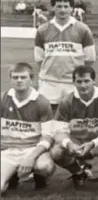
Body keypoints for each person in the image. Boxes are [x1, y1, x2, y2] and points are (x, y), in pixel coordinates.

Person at [49, 65, 98, 190]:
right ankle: (79, 172)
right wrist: (69, 145)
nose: (83, 85)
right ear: (73, 83)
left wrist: (94, 143)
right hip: (77, 143)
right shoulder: (67, 102)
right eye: (79, 81)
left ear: (94, 81)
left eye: (87, 81)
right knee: (56, 152)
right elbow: (58, 131)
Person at [34, 0, 95, 112]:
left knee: (74, 120)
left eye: (66, 6)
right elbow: (39, 59)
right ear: (53, 7)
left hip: (73, 83)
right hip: (49, 83)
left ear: (72, 8)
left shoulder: (83, 29)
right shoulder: (42, 30)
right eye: (59, 6)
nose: (62, 10)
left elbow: (90, 59)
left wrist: (77, 76)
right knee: (49, 118)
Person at [1, 63, 55, 194]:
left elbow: (47, 136)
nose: (19, 80)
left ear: (32, 79)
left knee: (45, 167)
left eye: (23, 77)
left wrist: (31, 158)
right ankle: (12, 175)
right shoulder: (3, 98)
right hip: (7, 150)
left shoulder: (42, 102)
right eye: (15, 77)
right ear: (11, 79)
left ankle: (39, 178)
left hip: (31, 149)